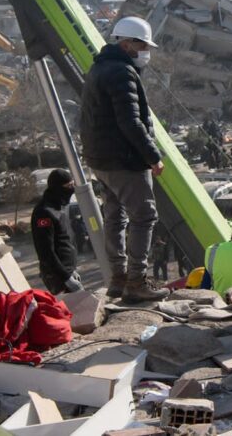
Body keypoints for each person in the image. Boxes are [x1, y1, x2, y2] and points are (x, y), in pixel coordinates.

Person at [80, 16, 168, 303]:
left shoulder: (99, 68)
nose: (146, 51)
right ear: (128, 43)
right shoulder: (122, 73)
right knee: (144, 216)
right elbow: (131, 122)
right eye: (143, 45)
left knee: (115, 217)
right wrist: (153, 156)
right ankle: (136, 281)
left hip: (101, 160)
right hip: (124, 161)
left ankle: (118, 278)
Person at [30, 169, 82, 296]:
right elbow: (46, 252)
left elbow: (64, 240)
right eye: (68, 186)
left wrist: (71, 270)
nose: (72, 189)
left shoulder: (58, 207)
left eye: (72, 185)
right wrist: (66, 277)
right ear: (58, 188)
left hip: (67, 272)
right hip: (58, 278)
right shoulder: (44, 212)